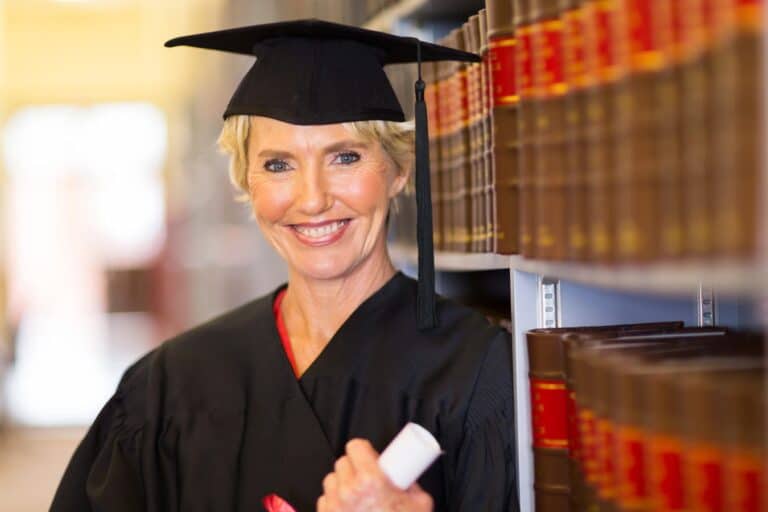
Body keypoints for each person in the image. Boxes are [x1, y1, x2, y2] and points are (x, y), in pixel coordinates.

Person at [50, 19, 519, 512]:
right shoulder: (171, 385)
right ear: (246, 181)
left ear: (399, 171)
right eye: (278, 165)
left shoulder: (474, 373)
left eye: (345, 157)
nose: (313, 200)